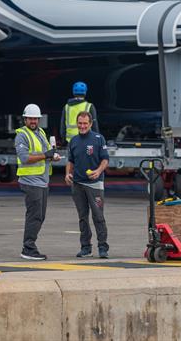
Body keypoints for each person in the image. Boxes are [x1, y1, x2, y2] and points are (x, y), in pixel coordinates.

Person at [16, 103, 60, 260]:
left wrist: (53, 156)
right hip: (30, 181)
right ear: (25, 119)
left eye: (35, 118)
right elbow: (25, 158)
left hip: (42, 181)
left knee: (40, 216)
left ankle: (29, 245)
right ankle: (28, 248)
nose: (33, 121)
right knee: (34, 216)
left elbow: (46, 153)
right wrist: (46, 155)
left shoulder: (41, 132)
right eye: (30, 118)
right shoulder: (22, 135)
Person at [65, 111, 110, 259]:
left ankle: (103, 247)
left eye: (85, 123)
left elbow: (105, 160)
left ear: (90, 124)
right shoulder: (74, 141)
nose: (82, 126)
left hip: (95, 184)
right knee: (82, 218)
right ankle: (86, 248)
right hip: (77, 184)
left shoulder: (99, 139)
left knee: (98, 217)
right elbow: (70, 161)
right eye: (80, 123)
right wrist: (68, 174)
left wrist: (98, 171)